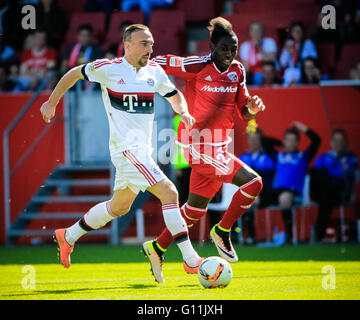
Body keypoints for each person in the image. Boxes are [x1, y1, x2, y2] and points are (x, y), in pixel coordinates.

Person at [40, 24, 202, 283]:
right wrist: (52, 101)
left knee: (119, 207)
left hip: (142, 151)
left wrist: (182, 111)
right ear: (127, 45)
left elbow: (174, 95)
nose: (150, 48)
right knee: (170, 192)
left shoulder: (154, 72)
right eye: (143, 43)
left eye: (151, 43)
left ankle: (68, 235)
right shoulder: (109, 69)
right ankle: (192, 260)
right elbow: (73, 73)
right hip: (126, 150)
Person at [149, 17, 266, 278]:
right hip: (196, 144)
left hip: (220, 146)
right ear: (212, 47)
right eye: (224, 48)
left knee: (193, 211)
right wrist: (135, 62)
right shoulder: (197, 65)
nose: (229, 54)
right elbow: (161, 62)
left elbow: (244, 111)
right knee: (253, 183)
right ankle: (223, 231)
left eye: (233, 49)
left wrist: (252, 109)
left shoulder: (237, 71)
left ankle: (157, 247)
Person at [273, 122, 321, 244]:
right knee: (253, 198)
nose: (290, 143)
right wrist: (281, 144)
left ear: (298, 142)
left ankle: (289, 236)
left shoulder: (303, 157)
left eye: (293, 140)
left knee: (284, 198)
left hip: (294, 192)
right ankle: (246, 238)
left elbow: (317, 140)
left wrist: (301, 127)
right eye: (288, 140)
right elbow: (264, 141)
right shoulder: (278, 156)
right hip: (276, 192)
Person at [310, 129, 358, 242]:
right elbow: (315, 174)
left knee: (326, 194)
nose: (338, 144)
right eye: (336, 141)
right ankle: (319, 234)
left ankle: (318, 234)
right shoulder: (323, 158)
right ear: (331, 143)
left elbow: (348, 175)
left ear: (345, 143)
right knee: (317, 174)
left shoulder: (351, 158)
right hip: (323, 192)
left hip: (341, 193)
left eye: (341, 141)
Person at [239, 128, 280, 243]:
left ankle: (251, 236)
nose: (253, 142)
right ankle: (240, 235)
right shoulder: (242, 158)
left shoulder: (270, 155)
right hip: (246, 192)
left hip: (267, 193)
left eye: (256, 139)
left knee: (250, 199)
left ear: (261, 140)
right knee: (245, 198)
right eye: (251, 139)